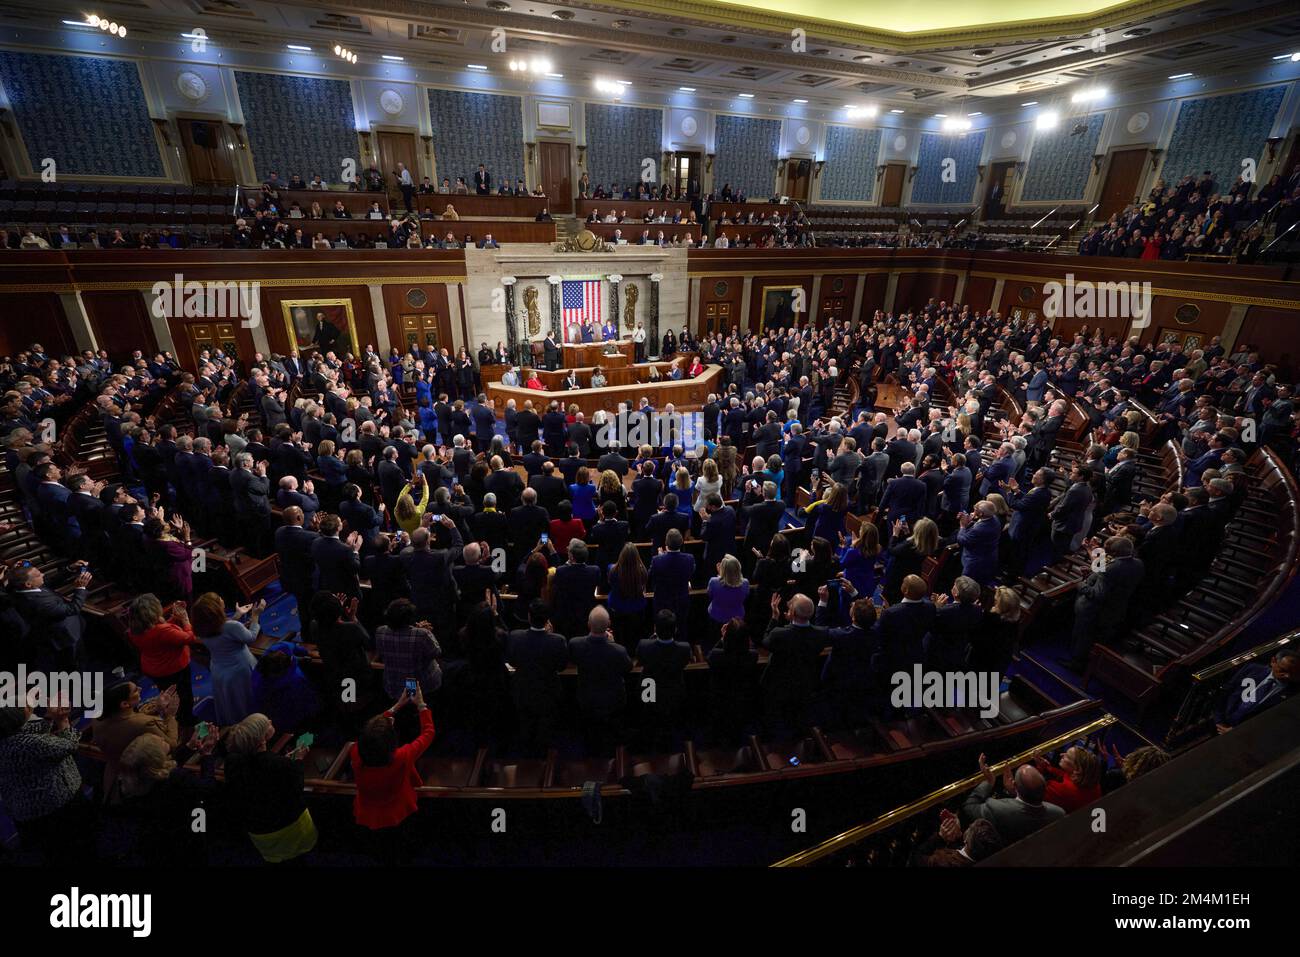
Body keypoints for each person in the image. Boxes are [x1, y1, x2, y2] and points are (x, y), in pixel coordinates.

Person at [0, 700, 94, 863]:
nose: (29, 705)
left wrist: (49, 718)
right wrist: (62, 720)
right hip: (57, 809)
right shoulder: (25, 744)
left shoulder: (8, 736)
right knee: (76, 850)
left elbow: (30, 731)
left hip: (27, 813)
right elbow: (68, 745)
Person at [352, 686, 435, 864]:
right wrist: (421, 705)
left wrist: (397, 706)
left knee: (380, 849)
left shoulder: (356, 752)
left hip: (369, 814)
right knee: (402, 848)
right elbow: (428, 732)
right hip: (399, 813)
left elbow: (371, 733)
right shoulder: (402, 757)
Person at [224, 713, 319, 863]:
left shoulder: (232, 762)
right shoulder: (281, 765)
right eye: (266, 723)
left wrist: (282, 761)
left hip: (259, 834)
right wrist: (298, 760)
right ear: (261, 739)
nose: (270, 721)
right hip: (292, 831)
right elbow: (297, 786)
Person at [126, 593, 200, 726]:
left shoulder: (134, 630)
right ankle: (186, 721)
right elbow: (190, 638)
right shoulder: (163, 631)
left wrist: (174, 617)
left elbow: (163, 633)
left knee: (168, 695)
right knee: (184, 696)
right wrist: (185, 619)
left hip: (154, 669)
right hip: (173, 669)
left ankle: (175, 718)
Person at [193, 591, 263, 726]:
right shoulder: (231, 626)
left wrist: (237, 616)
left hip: (219, 671)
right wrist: (255, 616)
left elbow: (220, 631)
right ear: (216, 608)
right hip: (240, 669)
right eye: (219, 598)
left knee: (233, 703)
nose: (221, 599)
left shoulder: (202, 628)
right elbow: (251, 637)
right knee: (248, 701)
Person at [962, 754, 1065, 842]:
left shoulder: (996, 809)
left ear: (1014, 785)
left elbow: (969, 807)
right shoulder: (1059, 813)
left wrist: (989, 782)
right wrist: (1013, 793)